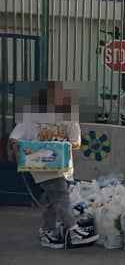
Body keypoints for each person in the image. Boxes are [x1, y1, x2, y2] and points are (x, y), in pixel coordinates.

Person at [9, 82, 97, 249]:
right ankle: (73, 229)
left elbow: (76, 142)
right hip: (40, 165)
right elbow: (16, 136)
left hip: (62, 165)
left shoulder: (69, 117)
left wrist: (62, 145)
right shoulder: (32, 117)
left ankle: (47, 232)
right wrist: (14, 145)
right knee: (60, 193)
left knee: (51, 199)